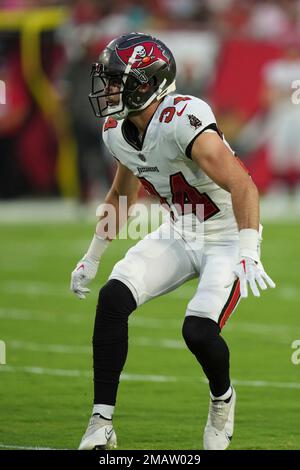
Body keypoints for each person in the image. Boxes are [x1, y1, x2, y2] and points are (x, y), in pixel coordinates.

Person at [70, 32, 275, 450]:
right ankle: (101, 422)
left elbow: (243, 185)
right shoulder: (116, 130)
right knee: (112, 299)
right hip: (181, 230)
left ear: (145, 83)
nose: (107, 89)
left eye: (115, 80)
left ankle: (223, 399)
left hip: (226, 235)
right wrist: (92, 257)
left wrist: (249, 249)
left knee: (198, 331)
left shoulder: (183, 118)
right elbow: (121, 195)